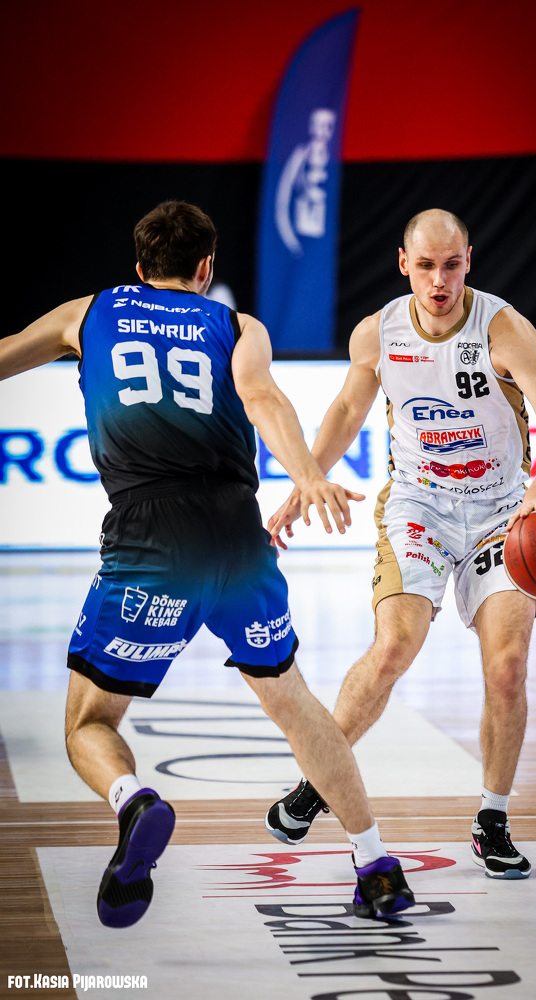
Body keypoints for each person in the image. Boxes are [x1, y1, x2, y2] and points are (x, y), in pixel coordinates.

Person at [0, 201, 414, 926]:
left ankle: (134, 802)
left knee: (89, 723)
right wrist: (307, 476)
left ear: (139, 268)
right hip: (238, 538)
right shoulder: (235, 325)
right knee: (294, 704)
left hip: (148, 540)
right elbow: (261, 398)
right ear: (205, 269)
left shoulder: (87, 313)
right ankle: (376, 866)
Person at [266, 208, 536, 880]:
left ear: (469, 261)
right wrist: (305, 480)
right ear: (403, 263)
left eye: (452, 265)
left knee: (507, 667)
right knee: (392, 649)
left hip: (502, 512)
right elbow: (347, 410)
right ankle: (318, 781)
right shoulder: (377, 332)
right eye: (427, 266)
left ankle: (492, 818)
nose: (440, 280)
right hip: (419, 506)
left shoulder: (504, 329)